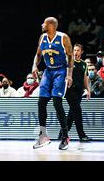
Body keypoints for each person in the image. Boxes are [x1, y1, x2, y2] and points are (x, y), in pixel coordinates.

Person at [32, 17, 73, 150]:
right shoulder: (42, 37)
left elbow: (71, 56)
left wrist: (69, 74)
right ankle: (43, 135)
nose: (42, 24)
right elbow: (38, 55)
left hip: (60, 71)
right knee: (41, 102)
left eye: (44, 23)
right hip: (48, 72)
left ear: (50, 25)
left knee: (57, 102)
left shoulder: (63, 38)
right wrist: (34, 66)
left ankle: (65, 137)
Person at [61, 44, 91, 142]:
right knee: (77, 111)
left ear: (81, 52)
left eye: (78, 50)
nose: (76, 52)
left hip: (79, 92)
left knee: (72, 114)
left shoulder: (84, 64)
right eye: (74, 50)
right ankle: (82, 135)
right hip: (69, 90)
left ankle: (62, 133)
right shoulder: (68, 62)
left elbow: (85, 79)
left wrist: (88, 90)